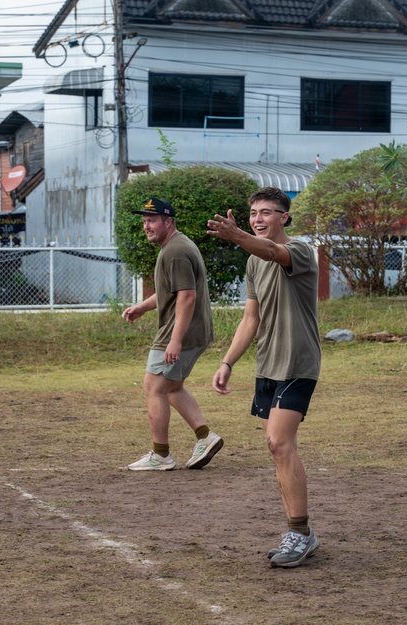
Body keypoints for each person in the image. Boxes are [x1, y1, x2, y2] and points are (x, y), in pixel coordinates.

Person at [206, 187, 322, 568]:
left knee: (278, 442)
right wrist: (227, 362)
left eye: (267, 212)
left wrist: (236, 236)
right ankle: (299, 532)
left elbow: (273, 252)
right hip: (267, 364)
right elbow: (250, 318)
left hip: (298, 363)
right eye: (254, 212)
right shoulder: (253, 262)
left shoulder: (300, 250)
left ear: (284, 217)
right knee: (278, 450)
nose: (259, 219)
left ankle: (299, 533)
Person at [122, 197, 222, 471]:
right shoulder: (177, 245)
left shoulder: (175, 252)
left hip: (179, 332)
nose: (146, 226)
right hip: (193, 331)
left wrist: (175, 340)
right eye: (144, 221)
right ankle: (205, 437)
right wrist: (143, 307)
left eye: (152, 221)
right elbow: (173, 291)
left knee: (153, 388)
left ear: (168, 221)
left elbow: (187, 297)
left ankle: (161, 455)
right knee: (172, 387)